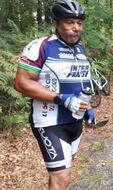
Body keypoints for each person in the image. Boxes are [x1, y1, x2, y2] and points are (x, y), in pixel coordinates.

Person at [14, 0, 95, 189]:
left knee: (61, 172)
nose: (76, 28)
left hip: (75, 122)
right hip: (49, 121)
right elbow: (21, 82)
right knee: (62, 177)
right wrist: (61, 98)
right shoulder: (41, 46)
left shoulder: (80, 49)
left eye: (79, 23)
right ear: (56, 23)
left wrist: (88, 107)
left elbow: (81, 84)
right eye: (69, 22)